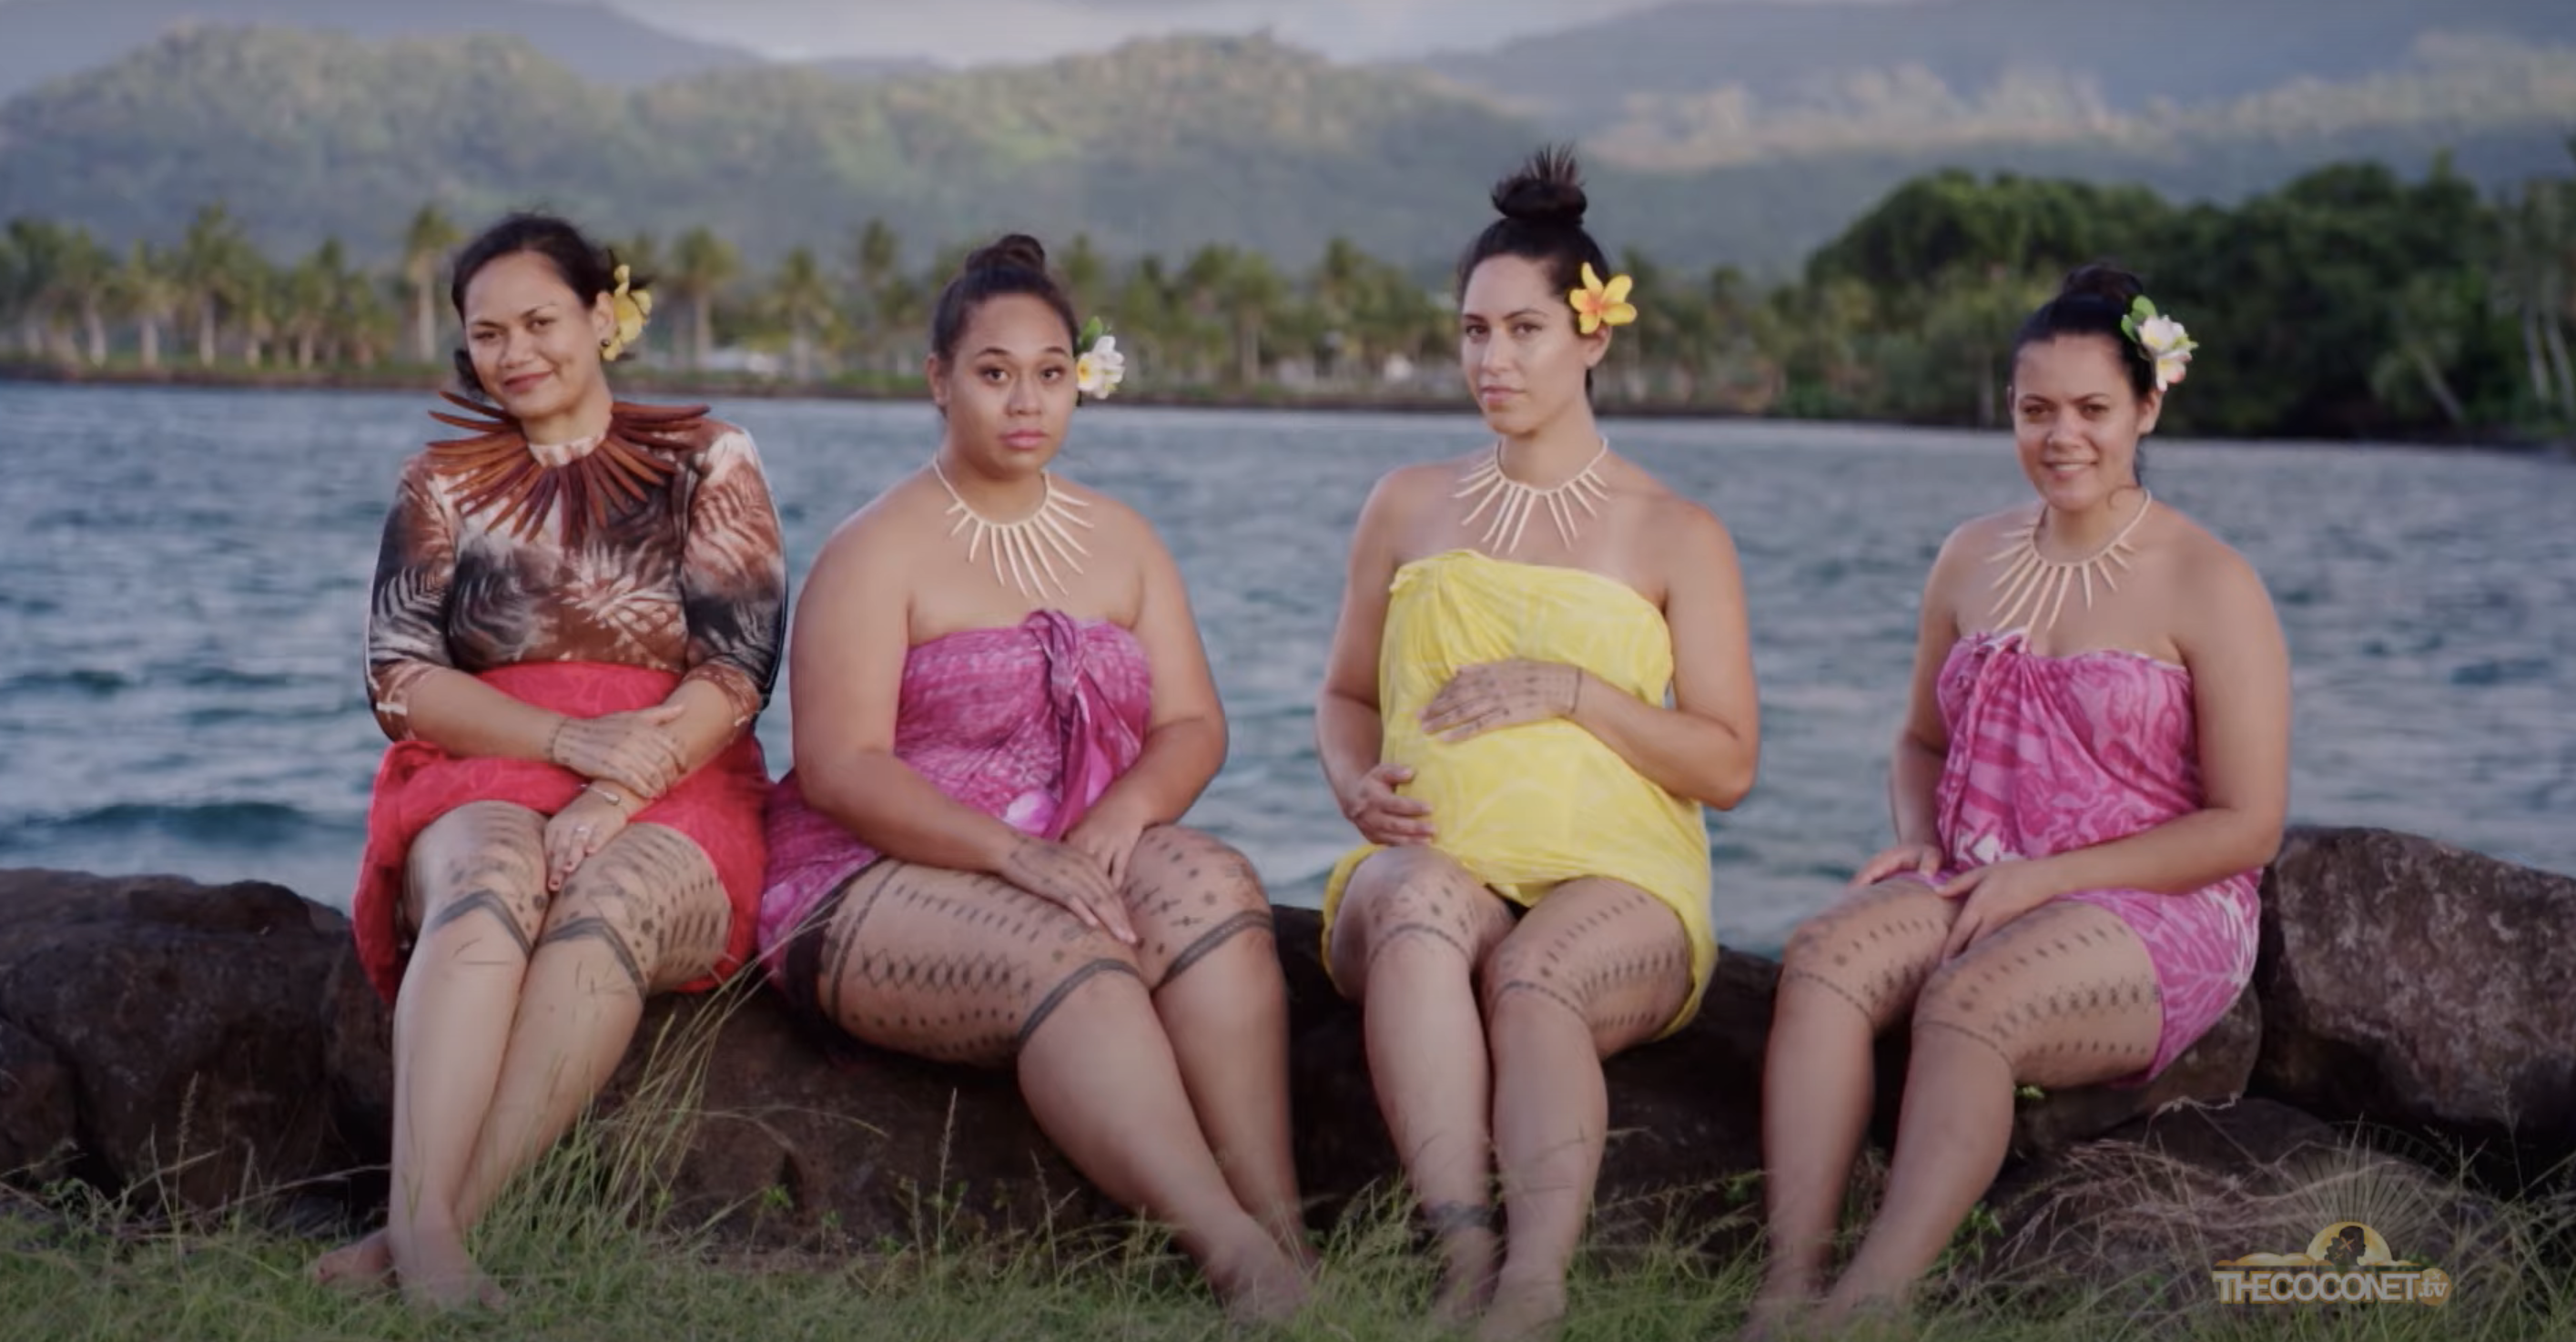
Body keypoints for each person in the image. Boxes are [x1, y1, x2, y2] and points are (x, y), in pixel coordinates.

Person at [756, 235, 1310, 1321]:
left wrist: (1124, 815)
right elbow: (836, 765)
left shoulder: (1122, 539)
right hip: (873, 869)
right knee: (1072, 952)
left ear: (1079, 382)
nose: (1026, 400)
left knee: (1216, 890)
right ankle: (1235, 1257)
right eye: (994, 371)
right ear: (937, 379)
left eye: (1051, 373)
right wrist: (1015, 852)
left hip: (1068, 837)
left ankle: (1288, 1227)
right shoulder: (877, 549)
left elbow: (1193, 723)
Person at [1748, 263, 2288, 1334]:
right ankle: (1785, 1284)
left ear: (2147, 405)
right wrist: (1916, 841)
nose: (2061, 436)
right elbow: (1918, 740)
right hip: (1977, 874)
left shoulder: (2208, 580)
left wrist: (2050, 875)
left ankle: (1867, 1307)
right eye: (2034, 409)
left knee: (1968, 1004)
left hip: (2156, 903)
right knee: (1821, 957)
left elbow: (2248, 823)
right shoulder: (1970, 556)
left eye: (2092, 409)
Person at [1312, 146, 1760, 1342]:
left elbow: (1725, 762)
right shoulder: (1405, 501)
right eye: (1472, 332)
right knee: (1412, 917)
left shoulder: (1677, 532)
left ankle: (1532, 1288)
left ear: (1592, 336)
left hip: (1616, 883)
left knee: (1531, 976)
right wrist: (1357, 784)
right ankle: (1461, 1259)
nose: (1492, 361)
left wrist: (1574, 689)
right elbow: (1345, 693)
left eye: (1523, 331)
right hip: (1432, 858)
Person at [310, 213, 786, 1308]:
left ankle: (424, 1237)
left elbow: (739, 667)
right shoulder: (440, 482)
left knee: (606, 905)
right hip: (485, 757)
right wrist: (566, 743)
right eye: (488, 334)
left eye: (540, 321)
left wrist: (617, 788)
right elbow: (397, 676)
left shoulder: (706, 457)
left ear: (603, 319)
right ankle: (429, 1237)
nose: (515, 352)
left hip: (677, 770)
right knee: (486, 888)